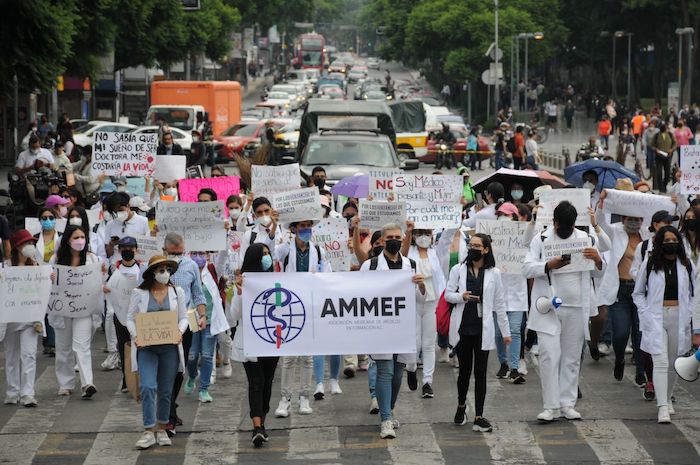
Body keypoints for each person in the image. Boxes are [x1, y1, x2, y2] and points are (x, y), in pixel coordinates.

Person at [523, 201, 604, 422]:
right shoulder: (540, 239)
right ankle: (550, 406)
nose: (566, 232)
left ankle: (567, 403)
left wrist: (597, 260)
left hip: (577, 305)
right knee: (549, 355)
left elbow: (599, 273)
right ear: (554, 222)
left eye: (570, 227)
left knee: (571, 356)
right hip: (548, 306)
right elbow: (526, 268)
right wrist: (549, 265)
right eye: (562, 228)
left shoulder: (585, 239)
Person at [359, 222, 426, 439]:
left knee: (398, 375)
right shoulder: (370, 266)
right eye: (389, 238)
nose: (394, 241)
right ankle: (386, 419)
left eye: (398, 237)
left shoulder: (411, 264)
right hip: (381, 327)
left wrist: (421, 285)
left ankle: (389, 408)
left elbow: (420, 297)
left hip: (404, 327)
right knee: (385, 372)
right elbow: (359, 295)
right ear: (382, 240)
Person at [445, 233, 511, 431]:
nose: (472, 248)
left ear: (485, 250)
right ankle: (461, 405)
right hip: (464, 327)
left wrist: (506, 332)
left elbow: (499, 303)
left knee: (481, 372)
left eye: (477, 246)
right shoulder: (458, 270)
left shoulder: (494, 273)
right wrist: (462, 296)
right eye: (470, 245)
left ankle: (479, 416)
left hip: (483, 328)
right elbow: (448, 295)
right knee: (464, 371)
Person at [632, 226, 695, 424]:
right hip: (656, 317)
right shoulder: (650, 263)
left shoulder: (687, 264)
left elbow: (695, 293)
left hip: (679, 317)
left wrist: (691, 312)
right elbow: (638, 292)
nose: (670, 243)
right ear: (660, 243)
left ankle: (668, 399)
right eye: (666, 240)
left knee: (673, 362)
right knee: (660, 361)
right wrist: (646, 313)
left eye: (673, 240)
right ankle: (661, 407)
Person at [127, 255, 188, 449]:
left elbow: (184, 317)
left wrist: (180, 331)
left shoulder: (177, 292)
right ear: (152, 273)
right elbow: (129, 318)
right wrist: (136, 335)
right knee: (147, 386)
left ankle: (162, 428)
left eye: (168, 270)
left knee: (165, 390)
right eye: (161, 270)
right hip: (147, 348)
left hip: (169, 348)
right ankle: (147, 430)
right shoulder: (139, 293)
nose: (165, 274)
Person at [274, 219, 332, 415]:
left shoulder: (318, 250)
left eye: (308, 226)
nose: (305, 229)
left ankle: (304, 398)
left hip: (310, 306)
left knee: (307, 357)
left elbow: (327, 275)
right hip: (288, 307)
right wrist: (274, 225)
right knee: (289, 357)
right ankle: (285, 399)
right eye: (301, 226)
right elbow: (273, 253)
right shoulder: (285, 249)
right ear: (293, 229)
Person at [595, 192, 650, 385]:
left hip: (641, 291)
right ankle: (619, 358)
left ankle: (641, 372)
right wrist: (602, 203)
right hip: (620, 290)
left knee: (640, 332)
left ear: (642, 220)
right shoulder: (615, 231)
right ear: (623, 218)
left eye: (637, 219)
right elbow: (600, 223)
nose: (633, 222)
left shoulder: (647, 235)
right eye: (630, 219)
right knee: (620, 333)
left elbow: (671, 225)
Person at [230, 243, 279, 448]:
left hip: (271, 340)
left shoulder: (277, 281)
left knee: (267, 383)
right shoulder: (243, 282)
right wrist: (240, 292)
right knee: (256, 382)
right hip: (250, 340)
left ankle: (262, 421)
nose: (266, 258)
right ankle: (256, 426)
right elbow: (234, 316)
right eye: (263, 254)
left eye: (268, 254)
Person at [49, 224, 103, 398]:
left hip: (83, 309)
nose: (80, 241)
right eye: (76, 238)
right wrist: (51, 278)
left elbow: (99, 282)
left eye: (82, 237)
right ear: (67, 241)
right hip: (62, 309)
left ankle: (87, 383)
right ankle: (65, 383)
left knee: (82, 346)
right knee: (63, 348)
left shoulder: (92, 259)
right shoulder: (56, 260)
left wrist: (102, 273)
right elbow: (48, 284)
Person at [162, 233, 207, 434]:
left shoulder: (190, 266)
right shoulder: (154, 266)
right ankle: (169, 414)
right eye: (173, 254)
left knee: (180, 367)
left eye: (180, 253)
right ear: (165, 251)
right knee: (165, 369)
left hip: (186, 322)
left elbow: (197, 293)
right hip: (161, 322)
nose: (177, 257)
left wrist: (203, 315)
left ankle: (170, 407)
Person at [401, 221, 445, 398]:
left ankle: (428, 382)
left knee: (428, 344)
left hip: (431, 302)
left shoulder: (434, 253)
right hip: (413, 302)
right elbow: (401, 254)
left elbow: (439, 276)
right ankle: (411, 368)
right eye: (419, 234)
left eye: (426, 233)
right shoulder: (409, 253)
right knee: (415, 341)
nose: (423, 237)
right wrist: (408, 231)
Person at [2, 230, 43, 407]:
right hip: (10, 318)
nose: (30, 247)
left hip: (29, 318)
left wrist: (45, 277)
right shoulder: (5, 268)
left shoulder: (36, 267)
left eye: (32, 244)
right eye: (27, 244)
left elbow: (43, 290)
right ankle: (12, 391)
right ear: (18, 247)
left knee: (29, 355)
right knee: (11, 356)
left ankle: (28, 392)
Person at [184, 251, 229, 403]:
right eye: (195, 253)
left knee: (207, 355)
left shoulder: (212, 270)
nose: (199, 257)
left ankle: (204, 389)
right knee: (192, 356)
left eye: (201, 253)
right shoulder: (186, 270)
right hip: (192, 320)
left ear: (208, 255)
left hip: (210, 320)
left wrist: (224, 232)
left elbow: (223, 257)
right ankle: (191, 376)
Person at [103, 236, 143, 390]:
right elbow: (104, 285)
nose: (128, 251)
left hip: (137, 314)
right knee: (124, 346)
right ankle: (127, 379)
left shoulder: (141, 268)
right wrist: (106, 288)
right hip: (120, 314)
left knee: (139, 345)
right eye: (124, 249)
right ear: (119, 251)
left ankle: (139, 376)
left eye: (131, 248)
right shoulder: (114, 268)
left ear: (136, 250)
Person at [104, 192, 150, 264]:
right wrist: (111, 244)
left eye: (120, 210)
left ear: (128, 206)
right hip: (116, 266)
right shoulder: (110, 224)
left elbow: (148, 249)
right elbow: (108, 253)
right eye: (115, 212)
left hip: (137, 265)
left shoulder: (144, 222)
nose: (118, 214)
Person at [650, 123, 677, 193]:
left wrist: (672, 149)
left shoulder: (670, 135)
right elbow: (651, 144)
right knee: (659, 173)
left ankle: (664, 185)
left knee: (667, 173)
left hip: (668, 156)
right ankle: (660, 188)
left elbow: (675, 143)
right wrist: (656, 149)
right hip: (659, 156)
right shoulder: (656, 135)